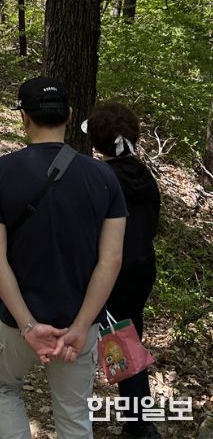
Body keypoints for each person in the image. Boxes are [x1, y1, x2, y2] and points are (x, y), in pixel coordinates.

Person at [0, 77, 128, 439]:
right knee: (74, 415)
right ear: (70, 116)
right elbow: (111, 260)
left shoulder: (0, 172)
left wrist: (28, 325)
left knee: (3, 388)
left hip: (16, 321)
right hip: (77, 325)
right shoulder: (103, 176)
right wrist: (81, 326)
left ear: (23, 117)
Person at [85, 103, 161, 439]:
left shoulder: (99, 178)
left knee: (117, 341)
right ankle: (137, 419)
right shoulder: (144, 176)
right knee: (127, 336)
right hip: (142, 269)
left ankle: (140, 424)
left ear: (96, 141)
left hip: (111, 272)